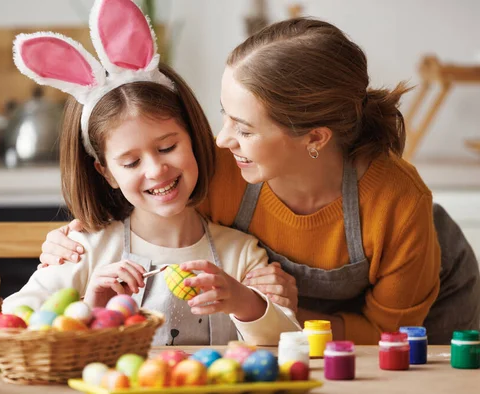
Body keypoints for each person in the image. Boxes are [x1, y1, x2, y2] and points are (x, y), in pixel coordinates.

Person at [38, 17, 480, 345]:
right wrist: (71, 239)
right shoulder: (219, 166)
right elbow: (145, 208)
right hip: (288, 334)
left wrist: (267, 308)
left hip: (417, 324)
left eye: (245, 128)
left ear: (314, 138)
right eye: (225, 115)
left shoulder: (396, 200)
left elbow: (388, 333)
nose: (222, 138)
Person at [2, 0, 300, 347]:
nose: (157, 170)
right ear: (106, 173)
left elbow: (291, 340)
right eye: (130, 163)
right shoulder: (84, 250)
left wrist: (243, 300)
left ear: (193, 136)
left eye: (167, 148)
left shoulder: (241, 253)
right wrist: (88, 310)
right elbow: (12, 321)